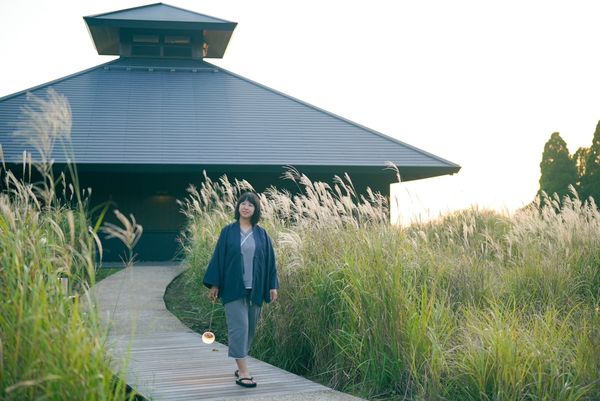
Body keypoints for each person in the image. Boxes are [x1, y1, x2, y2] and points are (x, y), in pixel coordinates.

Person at [203, 191, 279, 388]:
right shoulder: (228, 231)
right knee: (240, 329)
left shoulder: (262, 234)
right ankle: (244, 372)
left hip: (256, 289)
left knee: (250, 330)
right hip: (233, 288)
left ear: (256, 210)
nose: (246, 207)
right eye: (243, 203)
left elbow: (270, 261)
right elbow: (218, 257)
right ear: (238, 207)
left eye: (250, 205)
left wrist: (272, 285)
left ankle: (240, 362)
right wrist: (215, 284)